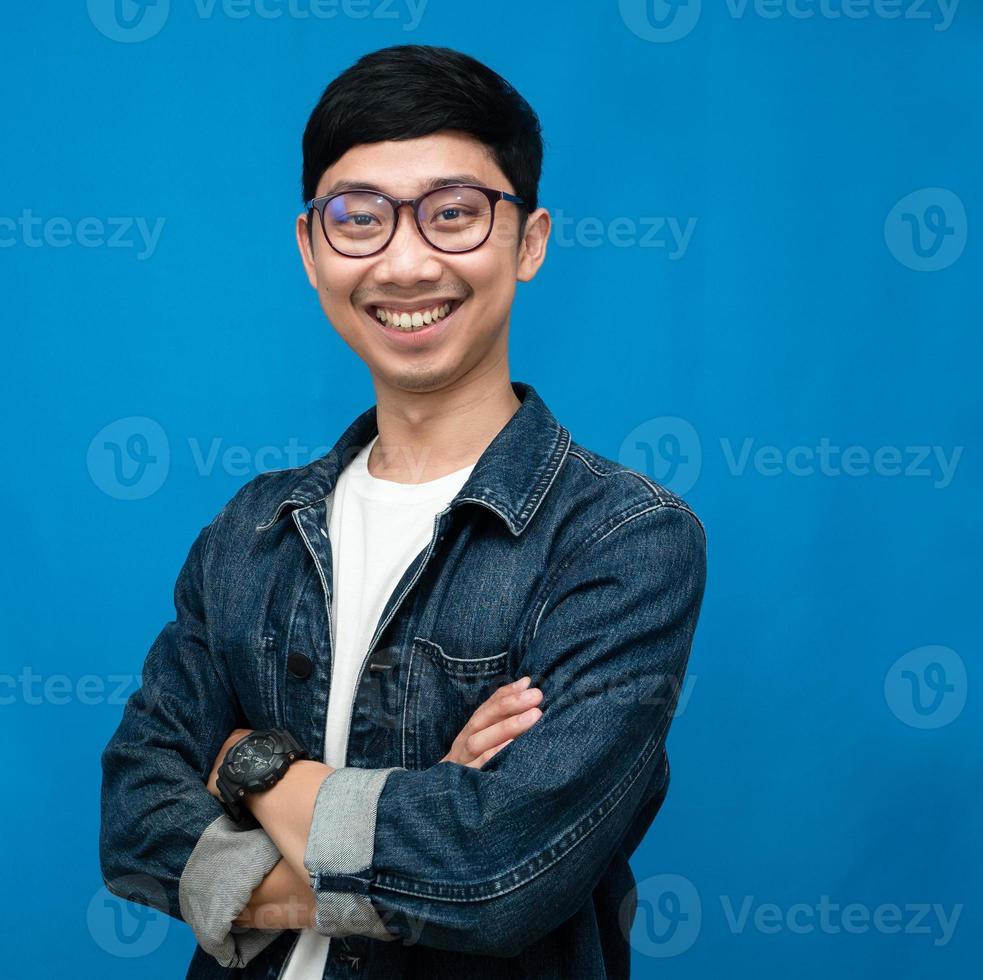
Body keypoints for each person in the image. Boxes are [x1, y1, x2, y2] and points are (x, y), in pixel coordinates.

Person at [100, 43, 707, 980]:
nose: (407, 261)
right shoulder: (249, 531)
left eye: (454, 214)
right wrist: (416, 818)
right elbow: (136, 813)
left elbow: (496, 873)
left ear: (530, 240)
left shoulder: (622, 539)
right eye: (359, 219)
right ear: (310, 250)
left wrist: (247, 768)